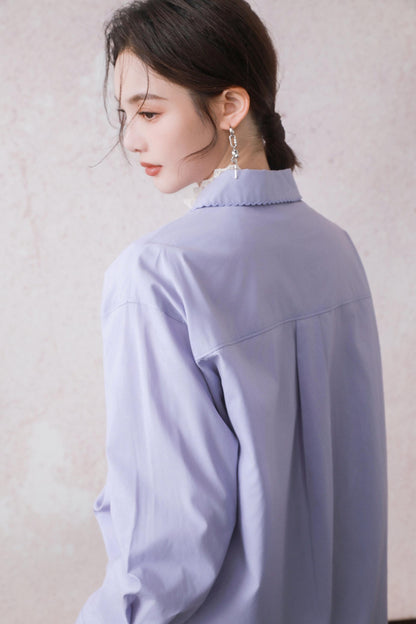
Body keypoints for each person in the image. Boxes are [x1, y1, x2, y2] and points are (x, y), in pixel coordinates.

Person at [76, 0, 387, 622]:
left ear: (229, 107)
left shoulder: (158, 274)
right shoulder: (334, 247)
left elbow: (165, 550)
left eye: (149, 112)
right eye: (125, 115)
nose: (131, 139)